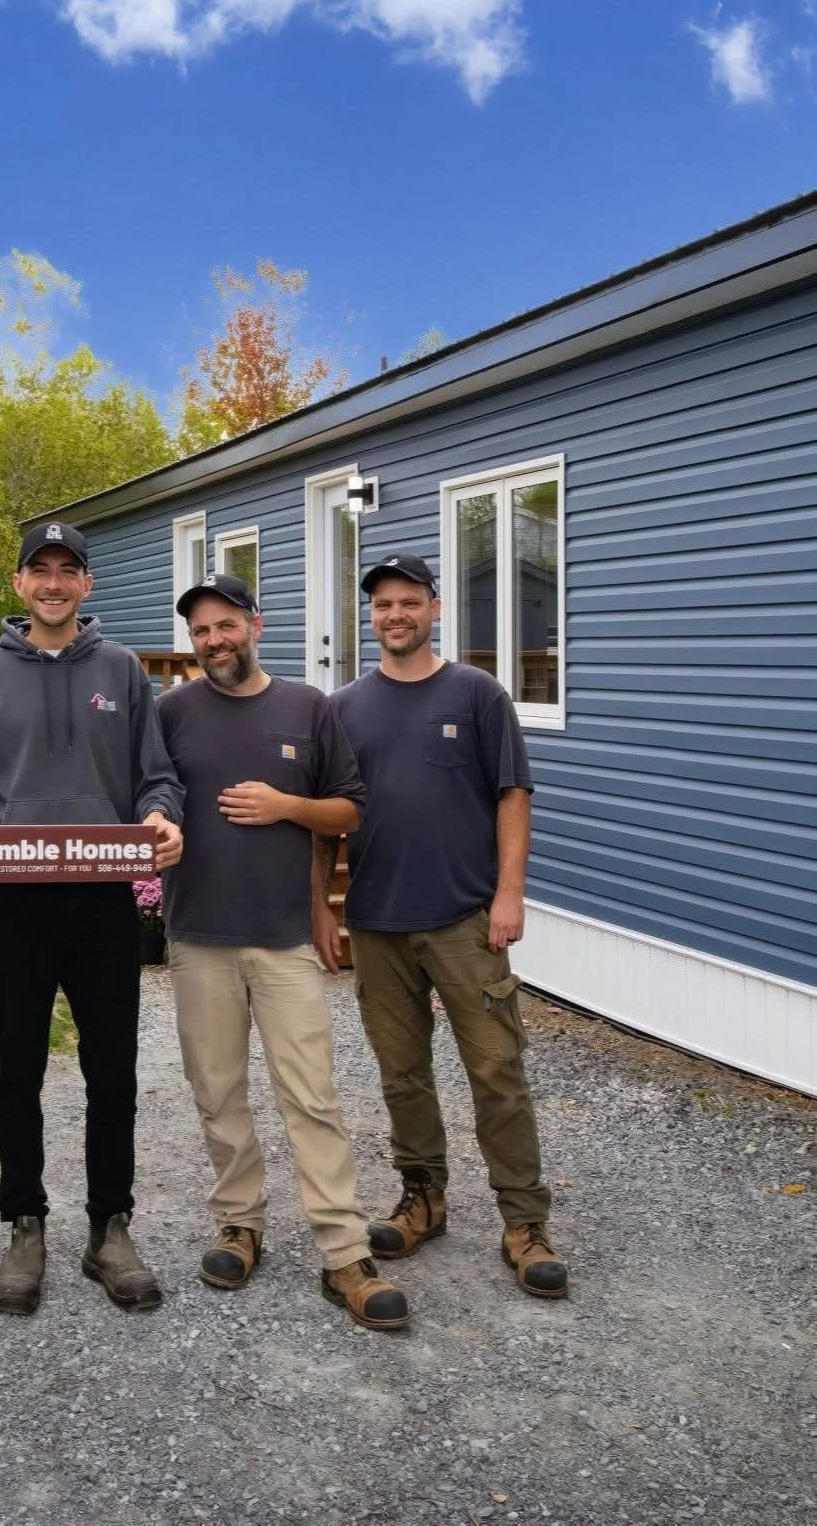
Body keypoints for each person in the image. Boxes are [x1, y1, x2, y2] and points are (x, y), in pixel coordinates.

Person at [0, 521, 183, 1316]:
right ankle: (24, 1224)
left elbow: (155, 777)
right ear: (19, 583)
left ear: (87, 586)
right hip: (17, 900)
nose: (55, 582)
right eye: (42, 570)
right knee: (18, 1070)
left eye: (70, 570)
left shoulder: (125, 672)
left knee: (113, 1071)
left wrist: (163, 816)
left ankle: (111, 1228)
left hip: (105, 899)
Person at [158, 571, 411, 1332]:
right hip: (198, 934)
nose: (214, 641)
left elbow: (349, 810)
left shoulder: (307, 707)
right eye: (201, 631)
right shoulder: (170, 713)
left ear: (255, 625)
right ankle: (241, 1223)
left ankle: (343, 1252)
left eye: (226, 625)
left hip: (284, 941)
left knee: (312, 1096)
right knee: (218, 1090)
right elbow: (144, 797)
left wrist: (284, 806)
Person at [323, 552, 567, 1299]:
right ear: (372, 616)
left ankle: (524, 1222)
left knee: (496, 1071)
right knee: (402, 1076)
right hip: (378, 922)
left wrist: (510, 895)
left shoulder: (478, 693)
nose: (394, 615)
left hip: (466, 919)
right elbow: (330, 823)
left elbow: (513, 796)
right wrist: (320, 911)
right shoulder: (344, 708)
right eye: (382, 605)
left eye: (407, 602)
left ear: (433, 608)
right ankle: (422, 1196)